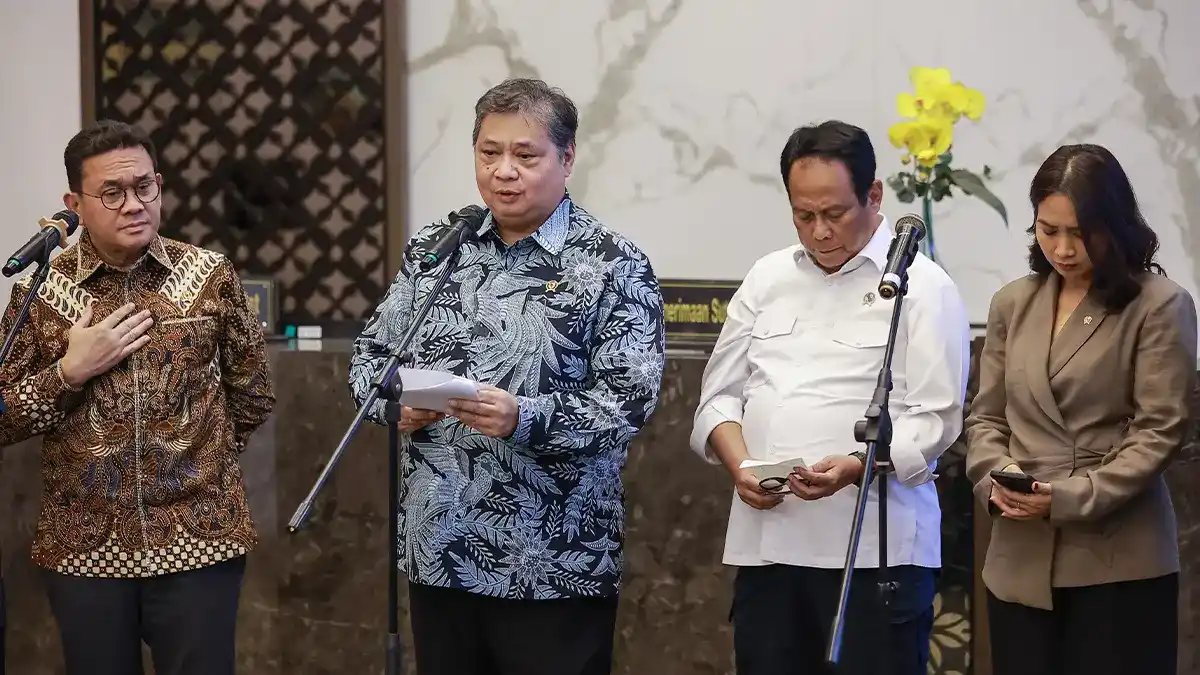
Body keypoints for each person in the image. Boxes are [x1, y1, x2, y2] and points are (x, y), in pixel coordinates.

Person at [349, 78, 665, 675]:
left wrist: (524, 417)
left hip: (554, 561)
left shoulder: (612, 264)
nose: (504, 172)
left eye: (526, 156)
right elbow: (370, 359)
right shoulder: (439, 248)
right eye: (489, 153)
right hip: (441, 547)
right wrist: (395, 406)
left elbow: (627, 405)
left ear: (567, 159)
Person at [690, 120, 971, 675]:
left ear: (873, 195)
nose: (819, 231)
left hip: (874, 556)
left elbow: (938, 419)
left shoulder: (924, 286)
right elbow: (718, 397)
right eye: (803, 215)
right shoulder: (767, 277)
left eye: (835, 213)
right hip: (768, 547)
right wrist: (740, 464)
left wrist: (854, 466)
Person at [0, 119, 275, 675]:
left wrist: (197, 463)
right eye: (112, 193)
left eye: (144, 187)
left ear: (160, 185)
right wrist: (68, 374)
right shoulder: (43, 291)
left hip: (200, 541)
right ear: (73, 204)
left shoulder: (208, 275)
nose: (133, 204)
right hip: (83, 548)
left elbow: (254, 393)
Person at [965, 143, 1196, 675]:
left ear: (1116, 225)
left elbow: (1159, 432)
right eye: (1049, 231)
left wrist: (1067, 498)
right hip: (1018, 555)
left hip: (1116, 559)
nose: (1064, 249)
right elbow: (986, 417)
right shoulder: (1012, 303)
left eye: (1080, 232)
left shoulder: (1159, 304)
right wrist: (999, 479)